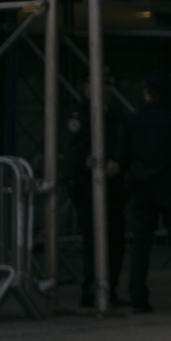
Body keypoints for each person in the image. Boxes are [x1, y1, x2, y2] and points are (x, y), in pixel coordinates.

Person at [119, 71, 171, 314]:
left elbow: (122, 157)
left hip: (142, 189)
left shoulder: (132, 120)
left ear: (146, 92)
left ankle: (138, 298)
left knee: (140, 245)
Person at [57, 80, 121, 309]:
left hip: (111, 185)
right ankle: (91, 290)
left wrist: (116, 164)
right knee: (94, 240)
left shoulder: (111, 113)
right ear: (86, 86)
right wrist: (94, 165)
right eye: (101, 84)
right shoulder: (78, 114)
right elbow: (72, 149)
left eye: (109, 84)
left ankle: (108, 289)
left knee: (113, 238)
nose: (106, 89)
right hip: (87, 185)